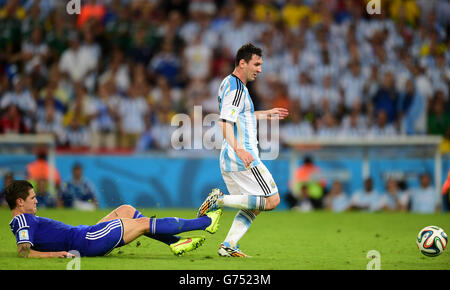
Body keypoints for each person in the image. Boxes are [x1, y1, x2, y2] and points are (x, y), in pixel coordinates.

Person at [197, 43, 289, 257]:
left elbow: (240, 115)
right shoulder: (238, 90)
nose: (260, 69)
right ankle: (218, 199)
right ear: (242, 63)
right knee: (271, 200)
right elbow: (224, 122)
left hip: (232, 155)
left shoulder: (228, 84)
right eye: (256, 64)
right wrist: (240, 150)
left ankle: (228, 245)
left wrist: (266, 113)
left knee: (253, 204)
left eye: (261, 65)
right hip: (243, 156)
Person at [6, 180, 222, 258]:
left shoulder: (22, 221)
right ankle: (206, 223)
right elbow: (24, 251)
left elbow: (25, 247)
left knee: (127, 210)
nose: (36, 201)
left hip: (85, 234)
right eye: (32, 198)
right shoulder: (23, 220)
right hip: (87, 240)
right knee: (143, 224)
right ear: (19, 202)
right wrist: (57, 254)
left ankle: (174, 243)